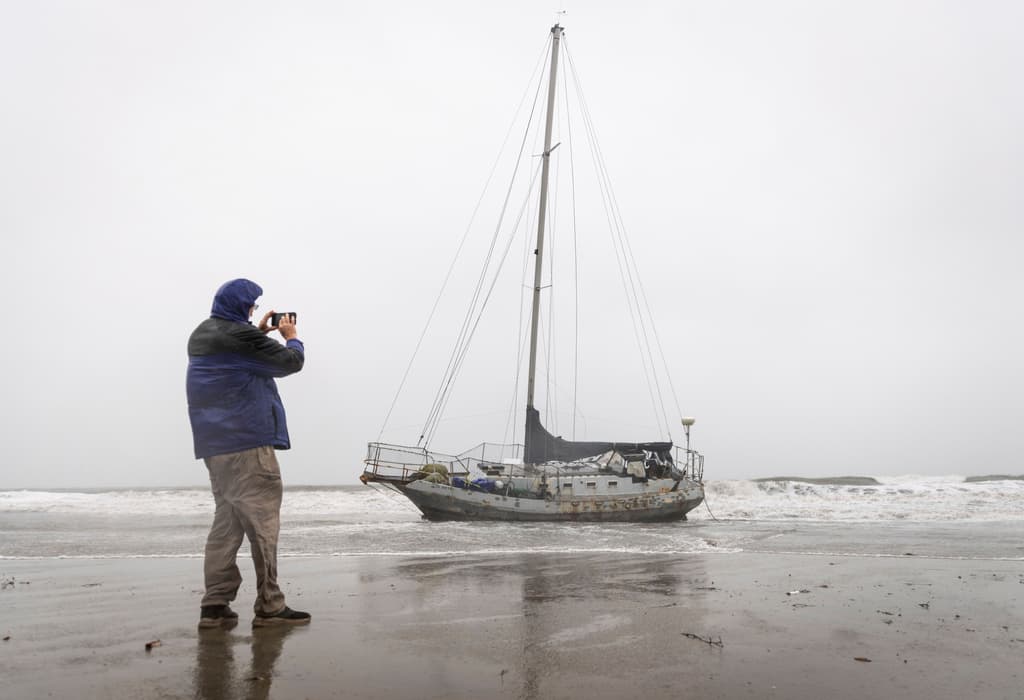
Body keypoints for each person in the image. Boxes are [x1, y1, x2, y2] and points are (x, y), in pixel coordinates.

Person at [186, 278, 311, 629]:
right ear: (242, 307)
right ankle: (271, 605)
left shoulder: (205, 334)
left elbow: (242, 353)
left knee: (226, 525)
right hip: (247, 444)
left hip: (215, 447)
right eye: (252, 306)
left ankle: (214, 606)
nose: (255, 311)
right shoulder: (241, 339)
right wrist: (291, 336)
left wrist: (257, 332)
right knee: (263, 524)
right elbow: (290, 362)